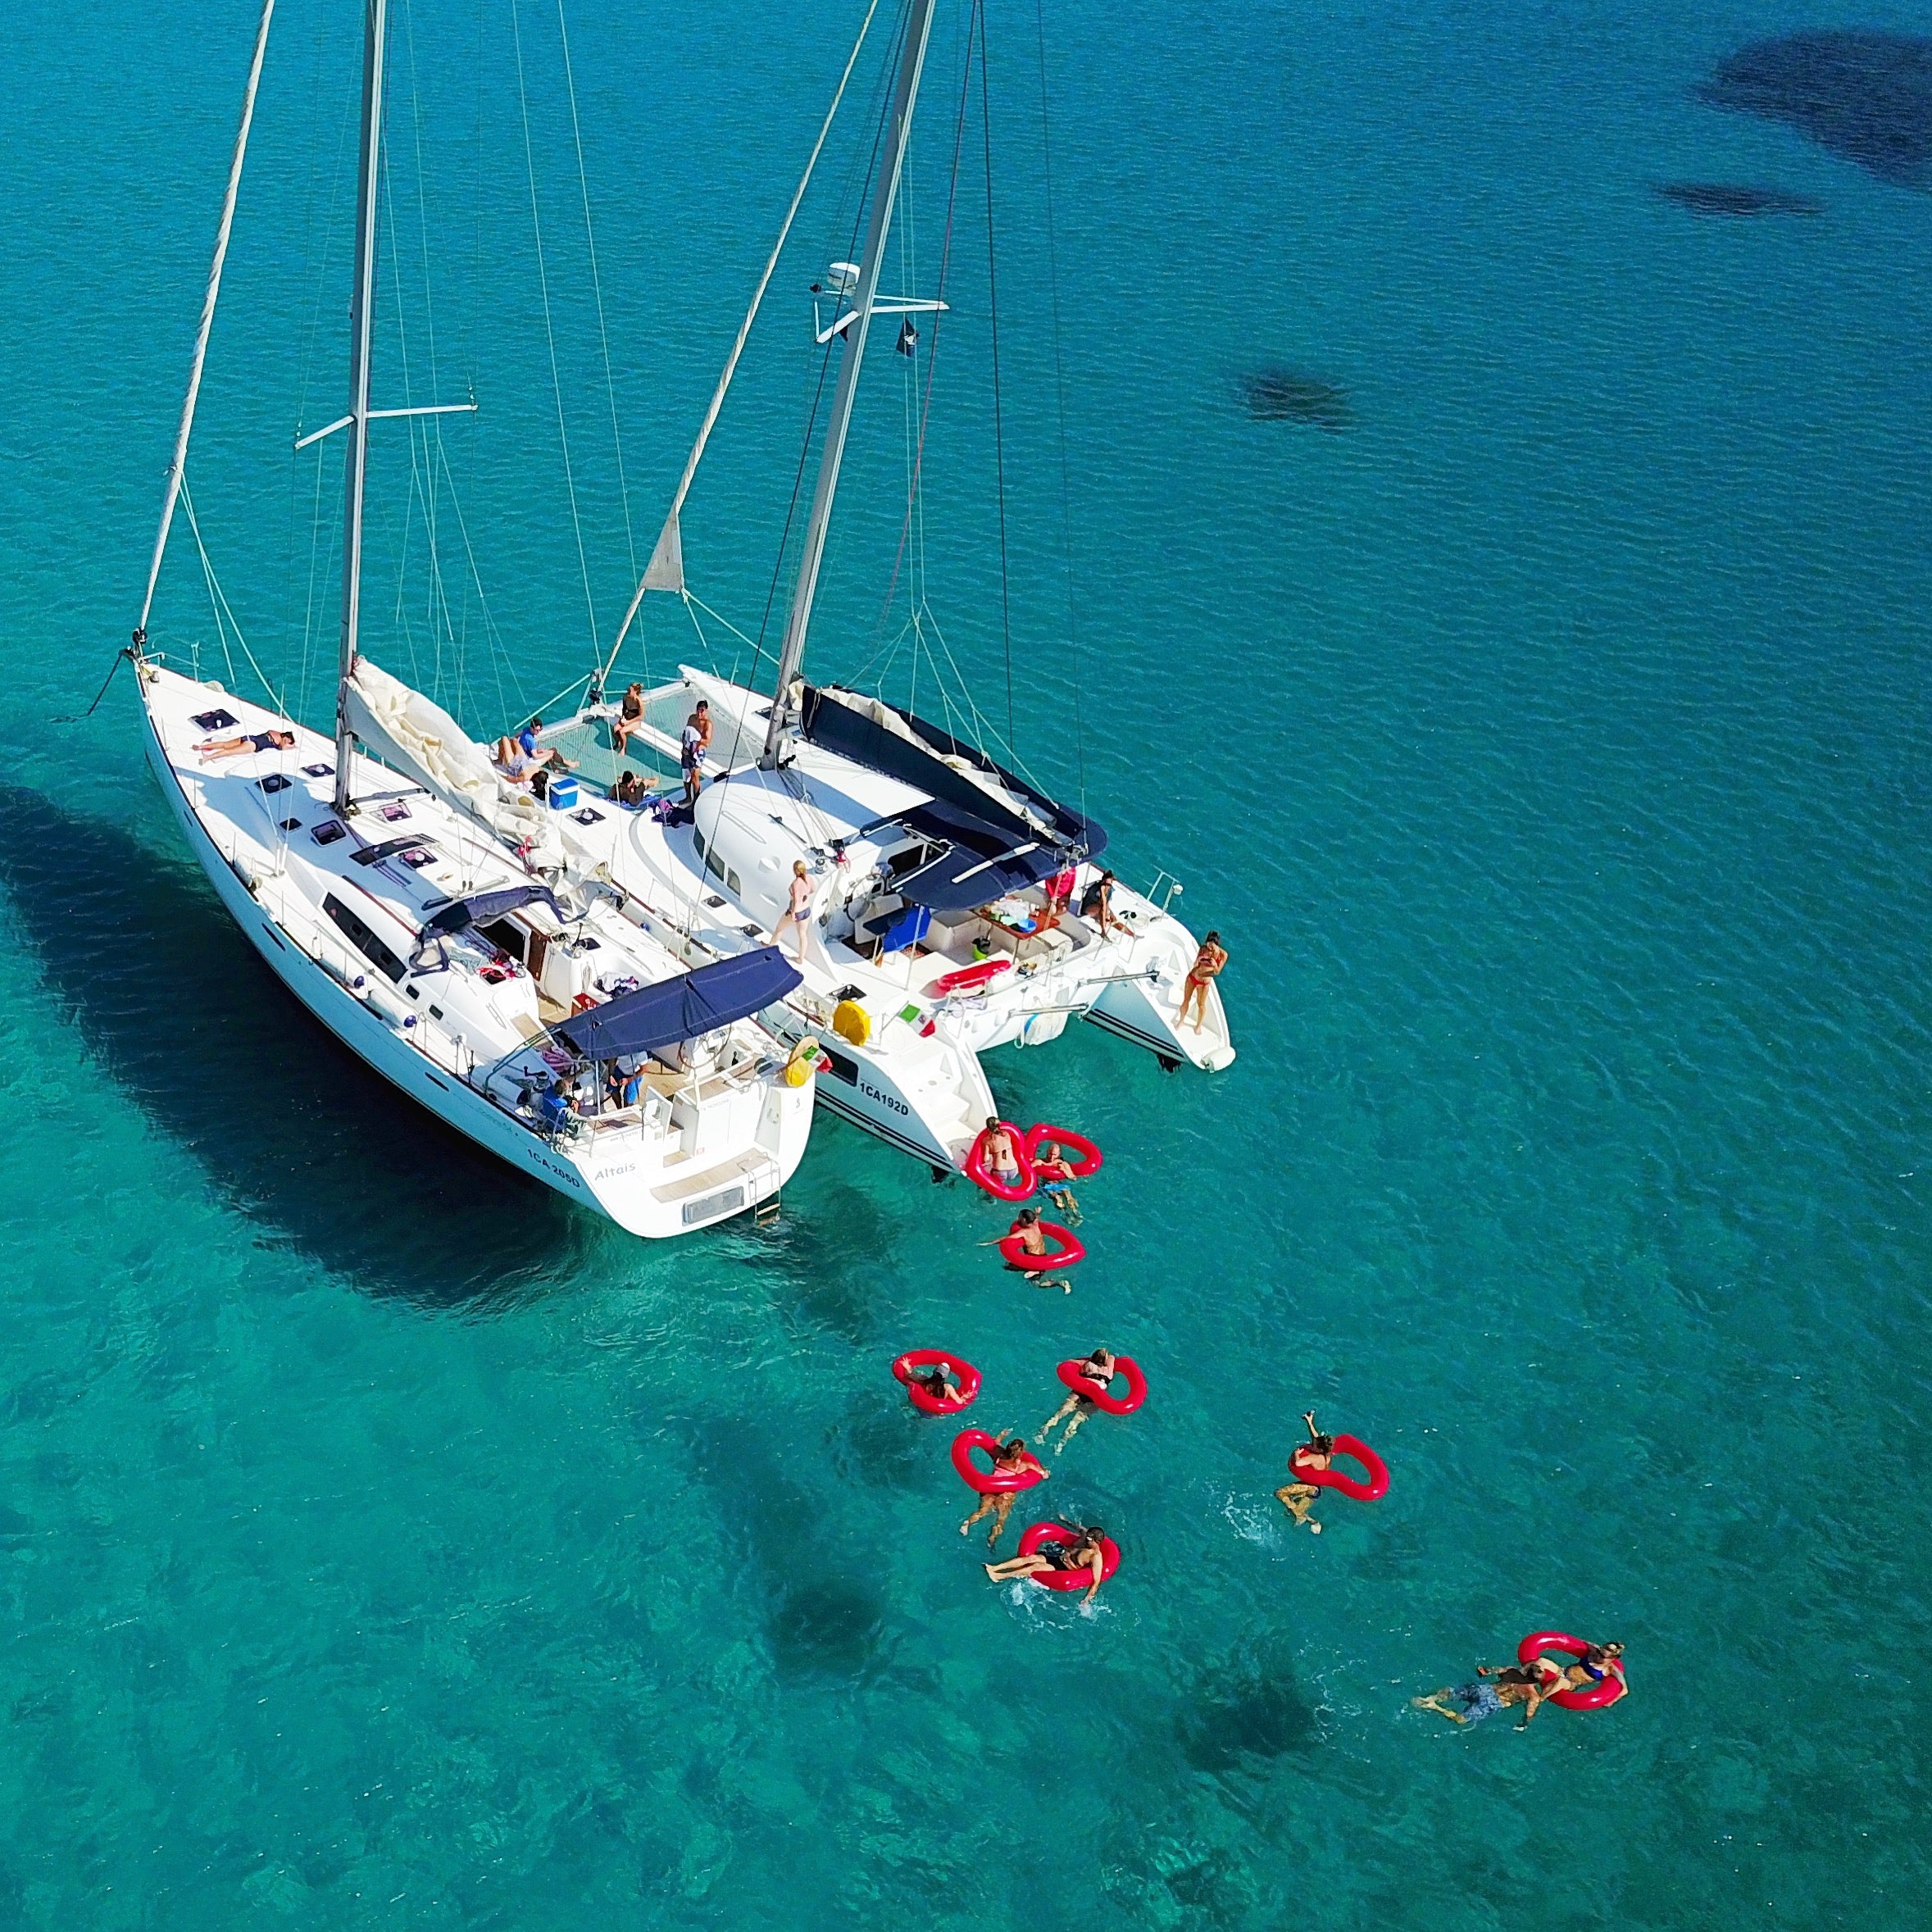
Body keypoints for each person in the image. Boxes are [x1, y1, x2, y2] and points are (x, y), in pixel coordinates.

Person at [957, 1434, 1045, 1549]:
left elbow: (995, 1442)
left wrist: (1002, 1435)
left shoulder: (999, 1456)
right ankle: (992, 1539)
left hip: (989, 1488)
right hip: (1005, 1494)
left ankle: (967, 1523)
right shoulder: (1023, 1465)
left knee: (982, 1511)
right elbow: (1044, 1474)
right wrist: (1044, 1471)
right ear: (1021, 1452)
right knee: (1001, 1519)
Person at [984, 1525, 1109, 1602]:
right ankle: (995, 1567)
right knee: (1031, 1558)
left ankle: (999, 1576)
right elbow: (1080, 1529)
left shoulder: (1095, 1557)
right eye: (1086, 1537)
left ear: (1097, 1541)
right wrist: (1065, 1520)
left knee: (1035, 1567)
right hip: (1057, 1557)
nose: (1085, 1540)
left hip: (1062, 1568)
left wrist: (1087, 1600)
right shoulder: (1084, 1539)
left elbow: (1096, 1581)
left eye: (1089, 1540)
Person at [1412, 1664, 1550, 1729]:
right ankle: (1435, 1707)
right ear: (1537, 1681)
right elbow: (1529, 1713)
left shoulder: (1512, 1671)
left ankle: (1432, 1698)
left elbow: (1493, 1670)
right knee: (1461, 1720)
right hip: (1492, 1703)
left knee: (1452, 1693)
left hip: (1484, 1690)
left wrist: (1485, 1671)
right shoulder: (1533, 1696)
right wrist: (1524, 1724)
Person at [1037, 1348, 1116, 1453]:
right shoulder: (1108, 1370)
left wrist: (1085, 1360)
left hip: (1079, 1392)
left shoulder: (1087, 1365)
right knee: (1075, 1422)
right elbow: (1112, 1358)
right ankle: (1061, 1444)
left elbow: (1069, 1362)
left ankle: (1043, 1431)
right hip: (1094, 1397)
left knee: (1059, 1414)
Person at [1275, 1411, 1335, 1532]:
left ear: (1319, 1449)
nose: (1311, 1445)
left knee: (1280, 1493)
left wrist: (1296, 1454)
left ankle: (1302, 1517)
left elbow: (1298, 1463)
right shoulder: (1326, 1455)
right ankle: (1312, 1521)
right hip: (1316, 1491)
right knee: (1292, 1512)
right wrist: (1309, 1421)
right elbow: (1316, 1437)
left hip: (1310, 1487)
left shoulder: (1314, 1458)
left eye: (1314, 1445)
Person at [1007, 1206, 1071, 1293]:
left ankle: (1058, 1282)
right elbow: (1036, 1219)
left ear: (1024, 1220)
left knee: (1036, 1283)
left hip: (1034, 1262)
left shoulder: (1024, 1232)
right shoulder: (1035, 1226)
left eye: (1020, 1217)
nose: (1018, 1219)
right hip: (1042, 1258)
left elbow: (1006, 1239)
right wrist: (1037, 1213)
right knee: (1012, 1267)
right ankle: (1037, 1273)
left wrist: (991, 1242)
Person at [1179, 930, 1228, 1033]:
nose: (1209, 949)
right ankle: (1181, 1021)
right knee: (1186, 1000)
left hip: (1204, 982)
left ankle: (1198, 1026)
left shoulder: (1223, 955)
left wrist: (1214, 965)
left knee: (1201, 1004)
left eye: (1212, 948)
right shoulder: (1203, 948)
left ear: (1217, 945)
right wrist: (1200, 959)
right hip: (1193, 976)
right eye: (1208, 946)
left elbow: (1217, 972)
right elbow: (1195, 964)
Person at [1031, 1139, 1082, 1224]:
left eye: (1054, 1155)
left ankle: (1076, 1212)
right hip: (1045, 1185)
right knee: (1056, 1196)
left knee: (1067, 1192)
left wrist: (1064, 1171)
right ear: (1047, 1152)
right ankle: (1065, 1214)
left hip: (1058, 1184)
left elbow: (1074, 1178)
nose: (1051, 1157)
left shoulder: (1062, 1164)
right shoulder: (1040, 1161)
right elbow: (1027, 1169)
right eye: (1050, 1154)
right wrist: (1035, 1165)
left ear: (1059, 1154)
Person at [772, 859, 813, 963]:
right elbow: (813, 890)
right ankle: (800, 958)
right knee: (803, 935)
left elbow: (795, 900)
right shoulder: (809, 879)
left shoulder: (795, 884)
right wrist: (804, 895)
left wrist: (793, 913)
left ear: (795, 871)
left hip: (797, 912)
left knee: (779, 928)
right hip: (806, 910)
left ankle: (770, 946)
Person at [196, 727, 295, 761]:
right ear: (286, 738)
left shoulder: (273, 732)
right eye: (287, 741)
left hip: (250, 737)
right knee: (229, 752)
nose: (286, 743)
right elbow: (285, 747)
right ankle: (207, 758)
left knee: (225, 744)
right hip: (253, 745)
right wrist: (292, 746)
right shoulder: (280, 743)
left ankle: (201, 747)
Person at [1080, 868, 1129, 935]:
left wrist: (1108, 914)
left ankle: (1132, 935)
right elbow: (1100, 903)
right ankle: (1103, 931)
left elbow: (1106, 903)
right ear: (1103, 881)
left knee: (1113, 918)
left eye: (1109, 885)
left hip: (1099, 908)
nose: (1107, 886)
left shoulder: (1110, 890)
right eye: (1106, 884)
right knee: (1102, 910)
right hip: (1088, 908)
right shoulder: (1095, 889)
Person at [680, 699, 711, 804]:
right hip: (687, 750)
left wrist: (696, 741)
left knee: (694, 777)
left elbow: (707, 742)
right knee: (686, 775)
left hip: (698, 753)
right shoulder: (692, 718)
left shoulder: (707, 724)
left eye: (702, 710)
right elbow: (686, 734)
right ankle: (688, 797)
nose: (699, 713)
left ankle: (696, 801)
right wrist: (684, 747)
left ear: (706, 711)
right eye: (698, 710)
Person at [980, 1117, 1022, 1188]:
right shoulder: (1006, 1135)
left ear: (988, 1128)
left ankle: (988, 1196)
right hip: (1014, 1169)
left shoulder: (987, 1141)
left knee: (992, 1185)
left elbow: (986, 1159)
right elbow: (1004, 1153)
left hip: (1000, 1171)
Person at [611, 682, 646, 752]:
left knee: (622, 731)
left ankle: (623, 748)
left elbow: (641, 716)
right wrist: (623, 717)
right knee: (615, 729)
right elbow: (624, 709)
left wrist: (629, 722)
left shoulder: (639, 701)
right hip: (627, 719)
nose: (628, 692)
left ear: (635, 691)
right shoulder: (626, 697)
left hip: (635, 722)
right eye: (628, 690)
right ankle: (618, 742)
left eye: (630, 691)